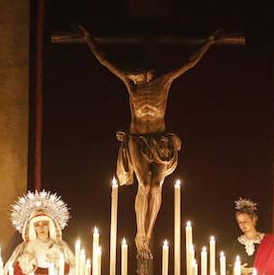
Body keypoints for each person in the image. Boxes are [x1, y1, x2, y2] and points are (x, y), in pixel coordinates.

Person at [77, 24, 222, 257]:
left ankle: (149, 229)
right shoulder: (131, 86)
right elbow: (105, 62)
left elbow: (190, 63)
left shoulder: (163, 83)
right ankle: (140, 234)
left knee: (156, 185)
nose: (133, 77)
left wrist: (209, 42)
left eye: (136, 74)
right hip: (137, 140)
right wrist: (88, 39)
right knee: (144, 184)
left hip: (160, 142)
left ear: (147, 72)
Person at [4, 190, 75, 275]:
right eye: (37, 225)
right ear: (33, 228)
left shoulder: (60, 246)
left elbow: (71, 271)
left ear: (50, 225)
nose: (41, 228)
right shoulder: (26, 247)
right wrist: (27, 269)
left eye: (45, 224)